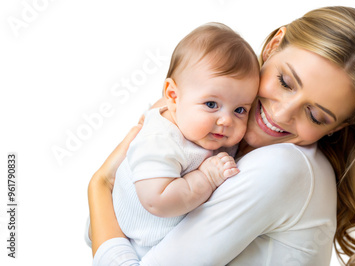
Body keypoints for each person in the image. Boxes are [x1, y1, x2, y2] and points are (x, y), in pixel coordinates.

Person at [87, 6, 355, 265]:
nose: (281, 114)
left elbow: (107, 230)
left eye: (316, 115)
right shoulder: (219, 137)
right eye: (285, 82)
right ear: (272, 46)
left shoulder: (284, 166)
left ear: (337, 127)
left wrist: (99, 186)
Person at [104, 23, 260, 257]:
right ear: (173, 96)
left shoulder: (204, 126)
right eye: (211, 104)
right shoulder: (160, 140)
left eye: (240, 110)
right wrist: (206, 177)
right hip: (139, 241)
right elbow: (157, 199)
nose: (226, 120)